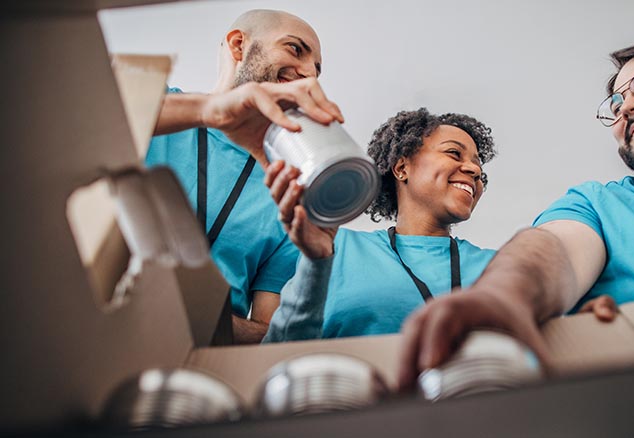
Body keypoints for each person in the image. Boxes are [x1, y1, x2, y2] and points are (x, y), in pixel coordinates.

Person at [396, 38, 634, 387]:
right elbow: (551, 248)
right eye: (616, 104)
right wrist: (503, 296)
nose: (626, 108)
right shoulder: (599, 205)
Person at [146, 9, 343, 344]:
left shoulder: (287, 190)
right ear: (238, 45)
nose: (310, 73)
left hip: (204, 362)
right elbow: (77, 120)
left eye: (317, 69)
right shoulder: (152, 104)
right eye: (295, 49)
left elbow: (272, 338)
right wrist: (208, 111)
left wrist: (318, 262)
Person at [260, 108, 498, 341]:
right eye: (454, 153)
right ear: (402, 168)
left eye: (478, 165)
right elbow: (280, 348)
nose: (475, 170)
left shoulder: (497, 265)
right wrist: (316, 263)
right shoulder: (337, 248)